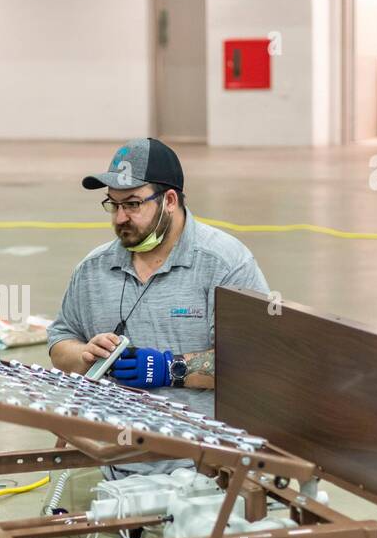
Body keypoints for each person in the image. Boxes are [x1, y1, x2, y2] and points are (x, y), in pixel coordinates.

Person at [47, 138, 268, 478]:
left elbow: (258, 363)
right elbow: (60, 340)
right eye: (113, 204)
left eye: (133, 204)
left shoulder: (224, 265)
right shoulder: (93, 270)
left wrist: (170, 368)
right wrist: (84, 355)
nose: (121, 218)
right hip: (111, 463)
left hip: (202, 469)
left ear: (169, 200)